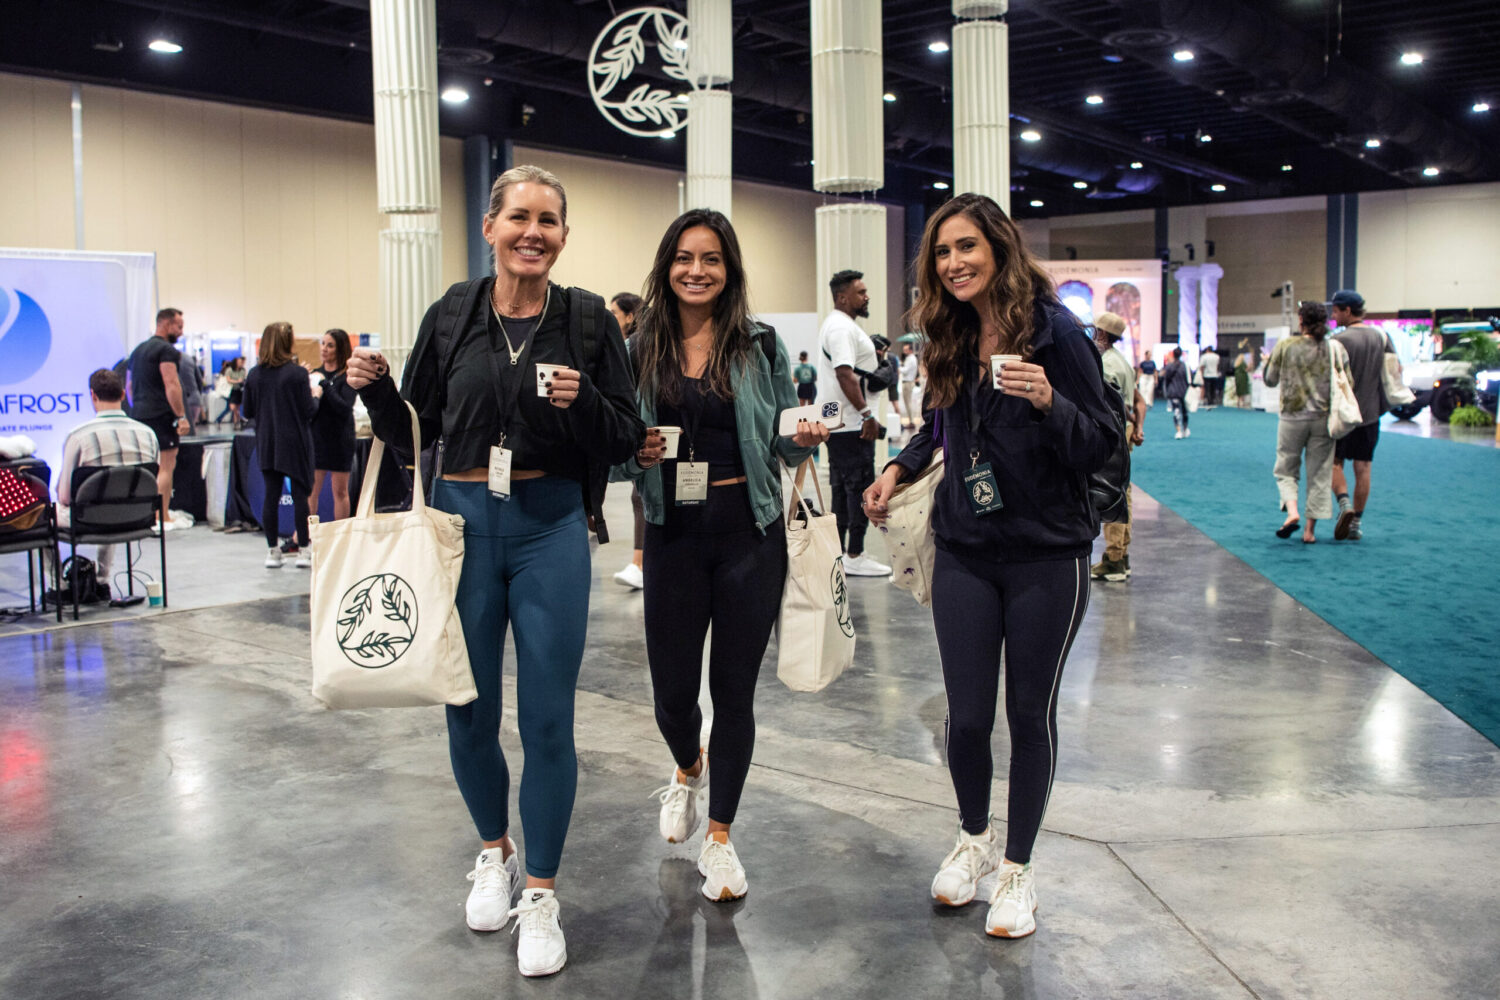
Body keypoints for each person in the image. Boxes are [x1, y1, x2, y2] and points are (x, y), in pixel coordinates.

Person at [346, 164, 642, 978]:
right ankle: (494, 852)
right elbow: (414, 426)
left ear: (564, 236)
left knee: (547, 721)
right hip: (461, 529)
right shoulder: (452, 313)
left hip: (551, 531)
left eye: (548, 220)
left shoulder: (589, 322)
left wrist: (583, 401)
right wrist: (375, 393)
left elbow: (626, 436)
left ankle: (541, 891)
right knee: (468, 712)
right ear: (490, 228)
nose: (532, 233)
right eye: (519, 217)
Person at [863, 193, 1119, 940]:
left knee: (1028, 715)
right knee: (967, 717)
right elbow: (942, 426)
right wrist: (898, 468)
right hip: (964, 550)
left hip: (1047, 554)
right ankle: (973, 839)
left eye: (967, 246)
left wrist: (1048, 400)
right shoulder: (948, 332)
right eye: (942, 252)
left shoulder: (1056, 333)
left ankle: (1017, 870)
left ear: (1000, 249)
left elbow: (1103, 440)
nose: (955, 263)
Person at [620, 208, 827, 905]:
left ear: (729, 268)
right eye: (684, 257)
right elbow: (615, 444)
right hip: (672, 535)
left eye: (711, 258)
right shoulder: (641, 345)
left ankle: (720, 836)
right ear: (667, 266)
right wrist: (635, 451)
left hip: (750, 534)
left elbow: (782, 437)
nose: (697, 270)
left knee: (735, 694)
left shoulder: (758, 343)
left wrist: (805, 436)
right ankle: (687, 766)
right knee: (674, 697)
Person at [55, 369, 160, 585]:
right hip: (139, 516)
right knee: (113, 497)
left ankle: (60, 585)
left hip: (89, 519)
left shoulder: (78, 436)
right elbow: (153, 482)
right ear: (123, 394)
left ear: (92, 395)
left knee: (44, 515)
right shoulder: (149, 434)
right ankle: (102, 580)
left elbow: (64, 496)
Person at [819, 269, 890, 577]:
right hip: (852, 424)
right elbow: (844, 373)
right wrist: (867, 415)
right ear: (842, 297)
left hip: (843, 424)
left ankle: (842, 554)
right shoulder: (840, 328)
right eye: (860, 292)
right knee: (859, 488)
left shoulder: (841, 325)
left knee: (842, 490)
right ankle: (855, 554)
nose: (867, 296)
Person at [1263, 301, 1351, 544]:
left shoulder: (1286, 346)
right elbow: (1348, 382)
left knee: (1286, 467)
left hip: (1291, 417)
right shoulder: (1335, 348)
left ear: (1301, 320)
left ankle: (1292, 512)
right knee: (1319, 474)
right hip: (1323, 418)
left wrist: (1267, 361)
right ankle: (1309, 532)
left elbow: (1270, 380)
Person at [241, 321, 316, 568]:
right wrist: (316, 395)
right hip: (295, 442)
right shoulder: (298, 374)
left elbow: (247, 410)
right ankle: (303, 549)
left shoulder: (254, 375)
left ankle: (273, 551)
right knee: (300, 497)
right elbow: (308, 411)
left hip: (267, 441)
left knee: (271, 496)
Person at [1329, 289, 1392, 542]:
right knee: (1363, 467)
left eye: (1336, 311)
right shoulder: (1381, 337)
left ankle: (1344, 504)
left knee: (1334, 463)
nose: (1333, 316)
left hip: (1343, 414)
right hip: (1371, 414)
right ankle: (1356, 523)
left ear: (1347, 310)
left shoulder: (1338, 340)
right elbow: (1393, 371)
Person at [1089, 312, 1147, 583]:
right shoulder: (1123, 362)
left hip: (1112, 432)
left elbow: (1112, 403)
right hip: (1124, 430)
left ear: (1101, 333)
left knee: (1110, 491)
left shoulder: (1106, 364)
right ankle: (1121, 555)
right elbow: (1137, 401)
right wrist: (1137, 426)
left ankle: (1113, 560)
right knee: (1124, 491)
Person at [125, 307, 190, 529]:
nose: (181, 332)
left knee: (150, 467)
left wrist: (140, 407)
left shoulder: (138, 351)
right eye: (179, 326)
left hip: (139, 415)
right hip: (161, 416)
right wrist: (181, 416)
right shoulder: (166, 351)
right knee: (166, 466)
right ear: (166, 324)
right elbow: (171, 384)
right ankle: (162, 517)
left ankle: (152, 514)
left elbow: (129, 387)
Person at [610, 292, 649, 591]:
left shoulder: (640, 349)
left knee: (642, 496)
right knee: (639, 496)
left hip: (649, 435)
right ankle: (639, 563)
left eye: (615, 313)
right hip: (638, 435)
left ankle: (640, 564)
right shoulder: (625, 349)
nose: (611, 317)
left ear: (630, 316)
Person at [307, 329, 356, 523]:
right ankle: (306, 534)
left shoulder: (347, 377)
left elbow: (344, 408)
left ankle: (340, 534)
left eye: (330, 345)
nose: (324, 349)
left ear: (340, 349)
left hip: (340, 440)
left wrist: (326, 386)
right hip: (317, 439)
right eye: (323, 344)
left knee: (340, 491)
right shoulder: (315, 374)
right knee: (311, 491)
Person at [1159, 347, 1190, 438]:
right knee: (1184, 411)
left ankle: (1178, 431)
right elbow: (1189, 378)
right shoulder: (1184, 366)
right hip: (1184, 391)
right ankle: (1185, 429)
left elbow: (1164, 377)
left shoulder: (1170, 366)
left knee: (1176, 411)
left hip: (1173, 391)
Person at [900, 342, 920, 428]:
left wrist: (898, 368)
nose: (904, 351)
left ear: (910, 350)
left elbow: (905, 370)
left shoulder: (911, 359)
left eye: (906, 350)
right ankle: (911, 420)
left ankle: (911, 421)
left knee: (908, 402)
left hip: (908, 382)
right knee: (908, 402)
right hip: (908, 381)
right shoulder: (911, 358)